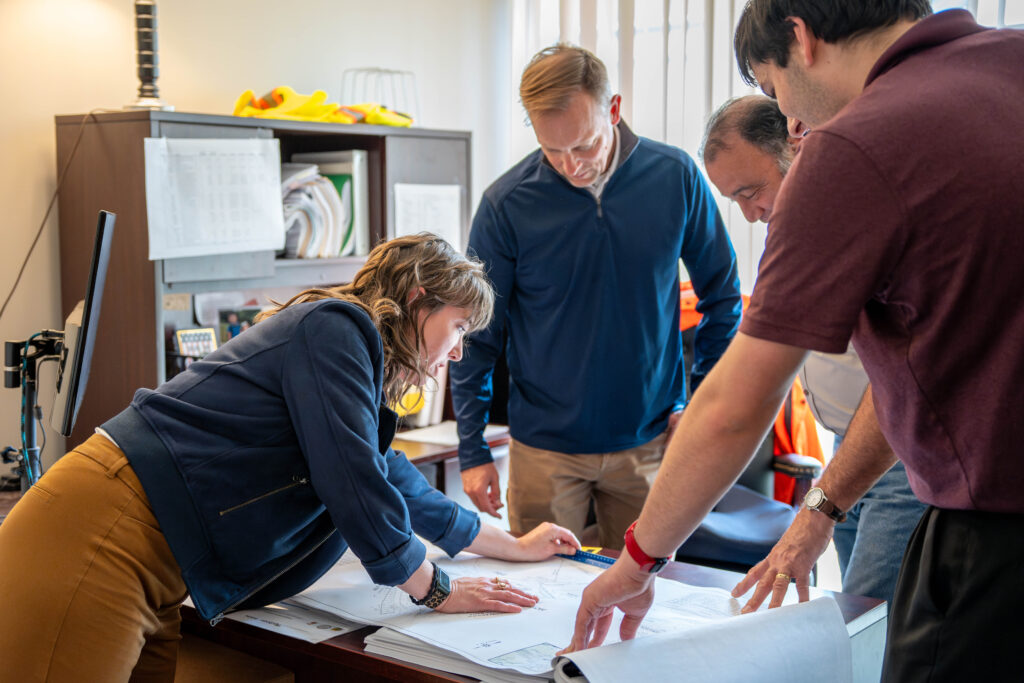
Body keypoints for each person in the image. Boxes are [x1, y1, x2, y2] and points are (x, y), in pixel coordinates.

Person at [566, 3, 1024, 680]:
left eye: (771, 87)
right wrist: (827, 506)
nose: (790, 118)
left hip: (993, 538)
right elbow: (925, 366)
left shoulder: (856, 143)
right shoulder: (1009, 62)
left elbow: (735, 407)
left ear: (800, 39)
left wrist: (637, 562)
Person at [0, 233, 580, 682]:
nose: (456, 352)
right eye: (457, 328)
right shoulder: (339, 327)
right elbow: (353, 481)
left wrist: (508, 543)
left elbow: (385, 474)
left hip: (156, 571)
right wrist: (435, 589)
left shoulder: (348, 358)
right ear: (416, 299)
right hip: (100, 535)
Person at [450, 44, 743, 549]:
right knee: (539, 601)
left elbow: (723, 296)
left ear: (613, 110)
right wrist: (472, 450)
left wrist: (698, 402)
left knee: (645, 601)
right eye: (552, 150)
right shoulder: (506, 203)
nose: (571, 166)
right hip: (543, 451)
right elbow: (476, 334)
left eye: (583, 146)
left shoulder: (675, 177)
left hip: (650, 443)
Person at [700, 94, 926, 605]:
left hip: (893, 455)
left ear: (796, 146)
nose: (750, 214)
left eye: (752, 191)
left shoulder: (861, 218)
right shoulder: (791, 233)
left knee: (865, 615)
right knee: (854, 607)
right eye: (733, 199)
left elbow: (901, 376)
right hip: (843, 447)